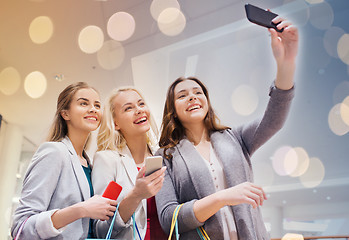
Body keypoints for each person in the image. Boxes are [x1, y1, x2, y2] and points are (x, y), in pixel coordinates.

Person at [155, 16, 298, 239]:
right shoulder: (165, 156)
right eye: (182, 95)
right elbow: (168, 218)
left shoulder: (234, 138)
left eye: (198, 92)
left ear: (206, 101)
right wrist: (223, 197)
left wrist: (286, 63)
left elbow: (274, 119)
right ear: (172, 109)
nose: (192, 97)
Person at [11, 82, 117, 239]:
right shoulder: (54, 152)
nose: (93, 109)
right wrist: (81, 210)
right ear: (65, 114)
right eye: (83, 103)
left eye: (97, 105)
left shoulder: (90, 165)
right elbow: (22, 226)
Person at [92, 87, 167, 239]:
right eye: (128, 108)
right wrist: (135, 195)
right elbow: (101, 229)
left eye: (141, 104)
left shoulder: (164, 155)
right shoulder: (107, 160)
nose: (139, 110)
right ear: (116, 123)